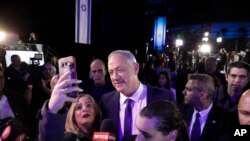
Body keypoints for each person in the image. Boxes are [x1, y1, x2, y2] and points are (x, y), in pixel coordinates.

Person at [99, 50, 175, 141]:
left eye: (120, 70)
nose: (115, 77)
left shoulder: (164, 98)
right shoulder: (105, 101)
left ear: (136, 68)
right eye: (111, 72)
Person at [38, 70, 102, 141]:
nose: (84, 109)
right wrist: (52, 109)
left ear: (96, 111)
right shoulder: (68, 138)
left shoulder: (106, 133)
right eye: (79, 107)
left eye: (89, 105)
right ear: (73, 116)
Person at [180, 73, 232, 141]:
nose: (183, 92)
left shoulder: (225, 118)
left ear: (203, 94)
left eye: (189, 89)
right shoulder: (180, 111)